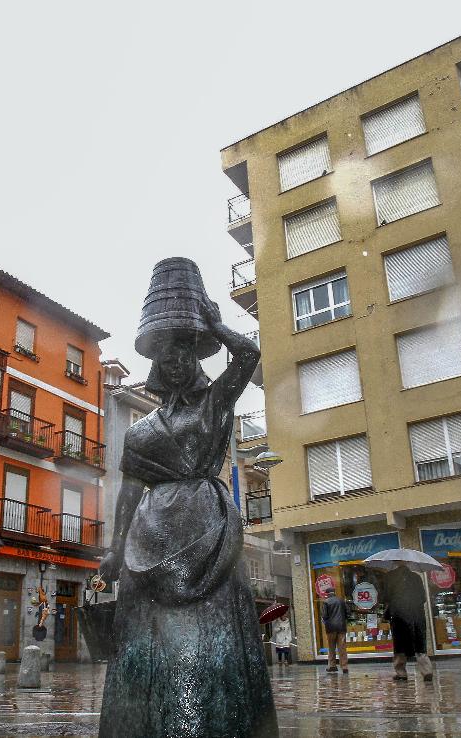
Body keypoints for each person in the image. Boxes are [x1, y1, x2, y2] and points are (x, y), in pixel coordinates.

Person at [98, 266, 277, 738]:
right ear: (156, 365)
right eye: (166, 356)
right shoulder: (140, 432)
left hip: (208, 523)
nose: (175, 363)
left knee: (214, 629)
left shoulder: (216, 403)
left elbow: (249, 354)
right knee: (147, 637)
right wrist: (116, 547)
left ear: (194, 360)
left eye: (183, 354)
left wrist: (215, 324)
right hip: (150, 530)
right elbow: (129, 492)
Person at [383, 568, 433, 681]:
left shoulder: (390, 577)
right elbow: (423, 598)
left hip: (399, 614)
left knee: (400, 645)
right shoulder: (416, 577)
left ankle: (401, 673)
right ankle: (427, 671)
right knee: (420, 644)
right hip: (417, 614)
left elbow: (385, 597)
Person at [320, 589, 349, 674]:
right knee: (342, 647)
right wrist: (343, 619)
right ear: (334, 593)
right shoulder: (341, 600)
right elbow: (348, 612)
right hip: (341, 627)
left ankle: (332, 666)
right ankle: (344, 666)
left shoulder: (326, 602)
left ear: (327, 594)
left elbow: (324, 616)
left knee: (331, 647)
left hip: (330, 628)